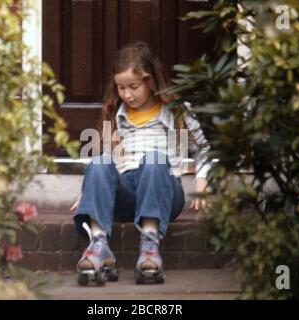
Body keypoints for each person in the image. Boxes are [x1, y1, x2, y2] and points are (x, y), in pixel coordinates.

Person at [69, 41, 211, 285]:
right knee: (100, 160)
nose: (126, 94)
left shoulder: (176, 113)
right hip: (125, 194)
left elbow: (203, 149)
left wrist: (201, 181)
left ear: (151, 81)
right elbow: (105, 162)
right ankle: (99, 245)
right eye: (121, 87)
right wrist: (90, 190)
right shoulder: (115, 115)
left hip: (164, 191)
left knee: (154, 159)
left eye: (133, 86)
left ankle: (149, 244)